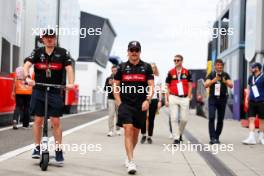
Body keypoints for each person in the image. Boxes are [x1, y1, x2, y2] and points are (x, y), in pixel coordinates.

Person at [23, 29, 74, 164]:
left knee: (56, 122)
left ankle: (58, 150)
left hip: (55, 90)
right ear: (43, 39)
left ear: (55, 38)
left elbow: (69, 69)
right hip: (39, 89)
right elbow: (26, 65)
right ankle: (37, 147)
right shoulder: (37, 52)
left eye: (52, 37)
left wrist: (71, 83)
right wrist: (28, 78)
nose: (49, 39)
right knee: (38, 121)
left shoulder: (63, 52)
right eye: (47, 37)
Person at [113, 41, 154, 174]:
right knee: (128, 129)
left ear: (140, 52)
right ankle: (131, 161)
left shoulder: (147, 67)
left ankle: (128, 155)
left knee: (135, 134)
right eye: (132, 50)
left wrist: (148, 100)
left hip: (141, 105)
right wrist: (119, 102)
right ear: (128, 51)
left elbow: (151, 86)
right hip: (125, 105)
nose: (134, 52)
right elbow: (115, 86)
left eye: (136, 50)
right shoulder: (121, 67)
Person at [165, 54, 193, 145]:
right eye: (175, 60)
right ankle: (176, 138)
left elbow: (190, 85)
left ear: (182, 61)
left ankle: (179, 133)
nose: (176, 62)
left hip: (184, 98)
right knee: (174, 118)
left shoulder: (187, 72)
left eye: (178, 60)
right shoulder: (170, 72)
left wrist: (189, 96)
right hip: (173, 96)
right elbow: (167, 86)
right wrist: (167, 97)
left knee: (184, 119)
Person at [204, 59, 233, 144]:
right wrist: (214, 80)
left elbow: (231, 85)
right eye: (218, 65)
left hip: (222, 99)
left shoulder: (226, 75)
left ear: (222, 66)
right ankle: (212, 137)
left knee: (220, 119)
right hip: (213, 98)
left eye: (221, 65)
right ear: (215, 66)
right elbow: (206, 85)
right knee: (212, 117)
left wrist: (225, 81)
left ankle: (217, 136)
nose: (219, 67)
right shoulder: (211, 74)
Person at [242, 63, 264, 145]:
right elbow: (248, 89)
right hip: (252, 101)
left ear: (258, 68)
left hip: (262, 101)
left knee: (262, 121)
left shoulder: (263, 77)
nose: (251, 68)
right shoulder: (251, 77)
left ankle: (261, 138)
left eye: (253, 67)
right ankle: (251, 138)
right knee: (251, 119)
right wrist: (246, 99)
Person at [140, 63, 162, 144]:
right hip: (144, 99)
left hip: (154, 99)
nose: (152, 68)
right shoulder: (144, 77)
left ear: (155, 69)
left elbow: (159, 90)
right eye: (151, 67)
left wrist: (160, 101)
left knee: (151, 118)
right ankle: (143, 135)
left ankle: (149, 136)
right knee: (143, 117)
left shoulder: (157, 78)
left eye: (153, 67)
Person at [104, 65, 121, 137]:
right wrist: (109, 84)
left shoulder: (120, 79)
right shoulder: (108, 78)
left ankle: (118, 129)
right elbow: (105, 89)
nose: (114, 72)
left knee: (118, 115)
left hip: (118, 99)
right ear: (111, 71)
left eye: (115, 70)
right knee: (111, 114)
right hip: (110, 99)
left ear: (117, 71)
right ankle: (110, 130)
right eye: (113, 70)